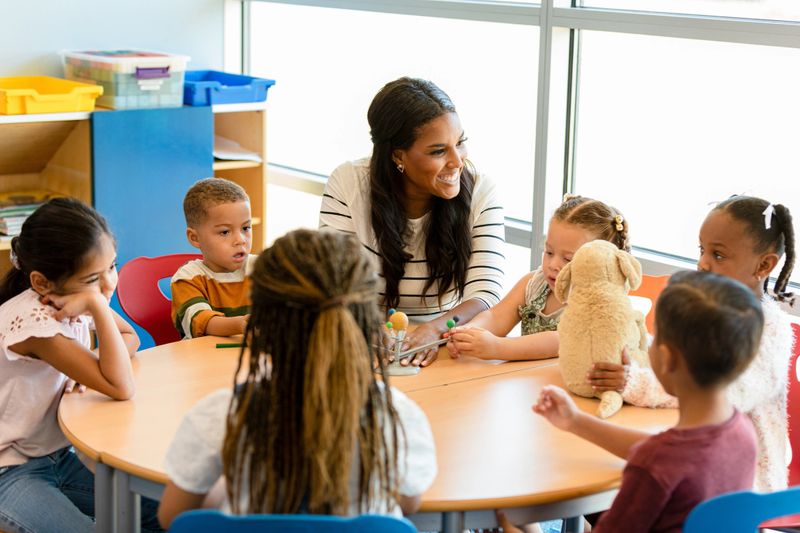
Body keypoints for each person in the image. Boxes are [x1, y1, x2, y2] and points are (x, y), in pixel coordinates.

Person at [157, 229, 437, 528]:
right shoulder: (396, 416)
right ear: (368, 322)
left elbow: (173, 517)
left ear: (262, 321)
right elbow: (409, 502)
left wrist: (227, 489)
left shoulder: (222, 415)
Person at [499, 270, 762, 533]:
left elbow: (656, 460)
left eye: (654, 336)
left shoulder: (653, 468)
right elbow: (662, 452)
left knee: (509, 513)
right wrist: (577, 422)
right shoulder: (741, 432)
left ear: (667, 358)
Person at [588, 195, 795, 492]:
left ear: (764, 264)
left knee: (635, 492)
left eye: (718, 255)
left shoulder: (770, 330)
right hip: (697, 456)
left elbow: (718, 391)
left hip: (743, 487)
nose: (702, 262)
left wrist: (635, 383)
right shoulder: (710, 309)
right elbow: (678, 357)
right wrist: (635, 349)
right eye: (702, 250)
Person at [0, 198, 161, 533]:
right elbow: (121, 387)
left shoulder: (68, 294)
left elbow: (129, 336)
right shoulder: (38, 322)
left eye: (113, 267)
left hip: (62, 454)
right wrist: (97, 308)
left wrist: (91, 367)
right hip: (9, 470)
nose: (108, 286)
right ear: (42, 282)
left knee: (163, 513)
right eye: (92, 279)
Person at [319, 77, 505, 367]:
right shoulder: (348, 183)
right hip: (366, 339)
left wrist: (435, 329)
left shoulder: (482, 191)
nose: (457, 161)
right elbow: (335, 281)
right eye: (438, 151)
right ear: (398, 156)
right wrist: (367, 325)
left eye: (461, 142)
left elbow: (485, 294)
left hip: (448, 341)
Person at [446, 195, 630, 361]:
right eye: (549, 252)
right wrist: (469, 333)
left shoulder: (600, 303)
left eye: (568, 259)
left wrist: (496, 347)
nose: (553, 264)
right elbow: (496, 316)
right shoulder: (535, 284)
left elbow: (560, 341)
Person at [171, 177, 255, 339]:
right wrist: (241, 324)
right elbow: (202, 322)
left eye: (246, 228)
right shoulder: (188, 278)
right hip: (201, 361)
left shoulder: (262, 269)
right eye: (225, 232)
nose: (241, 240)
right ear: (195, 238)